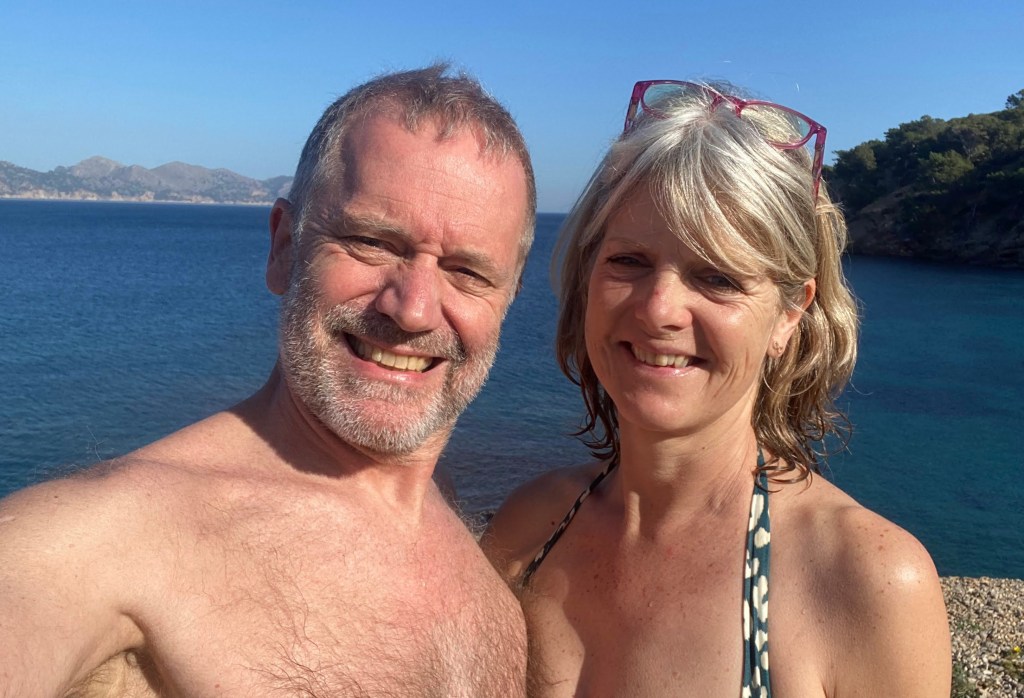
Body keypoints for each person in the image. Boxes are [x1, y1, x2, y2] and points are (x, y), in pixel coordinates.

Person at [0, 64, 535, 697]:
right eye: (371, 242)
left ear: (508, 297)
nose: (414, 309)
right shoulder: (97, 545)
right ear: (284, 246)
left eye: (468, 273)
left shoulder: (490, 552)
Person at [483, 80, 951, 697]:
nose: (659, 309)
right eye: (629, 261)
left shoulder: (867, 583)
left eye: (718, 277)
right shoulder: (527, 528)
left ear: (789, 313)